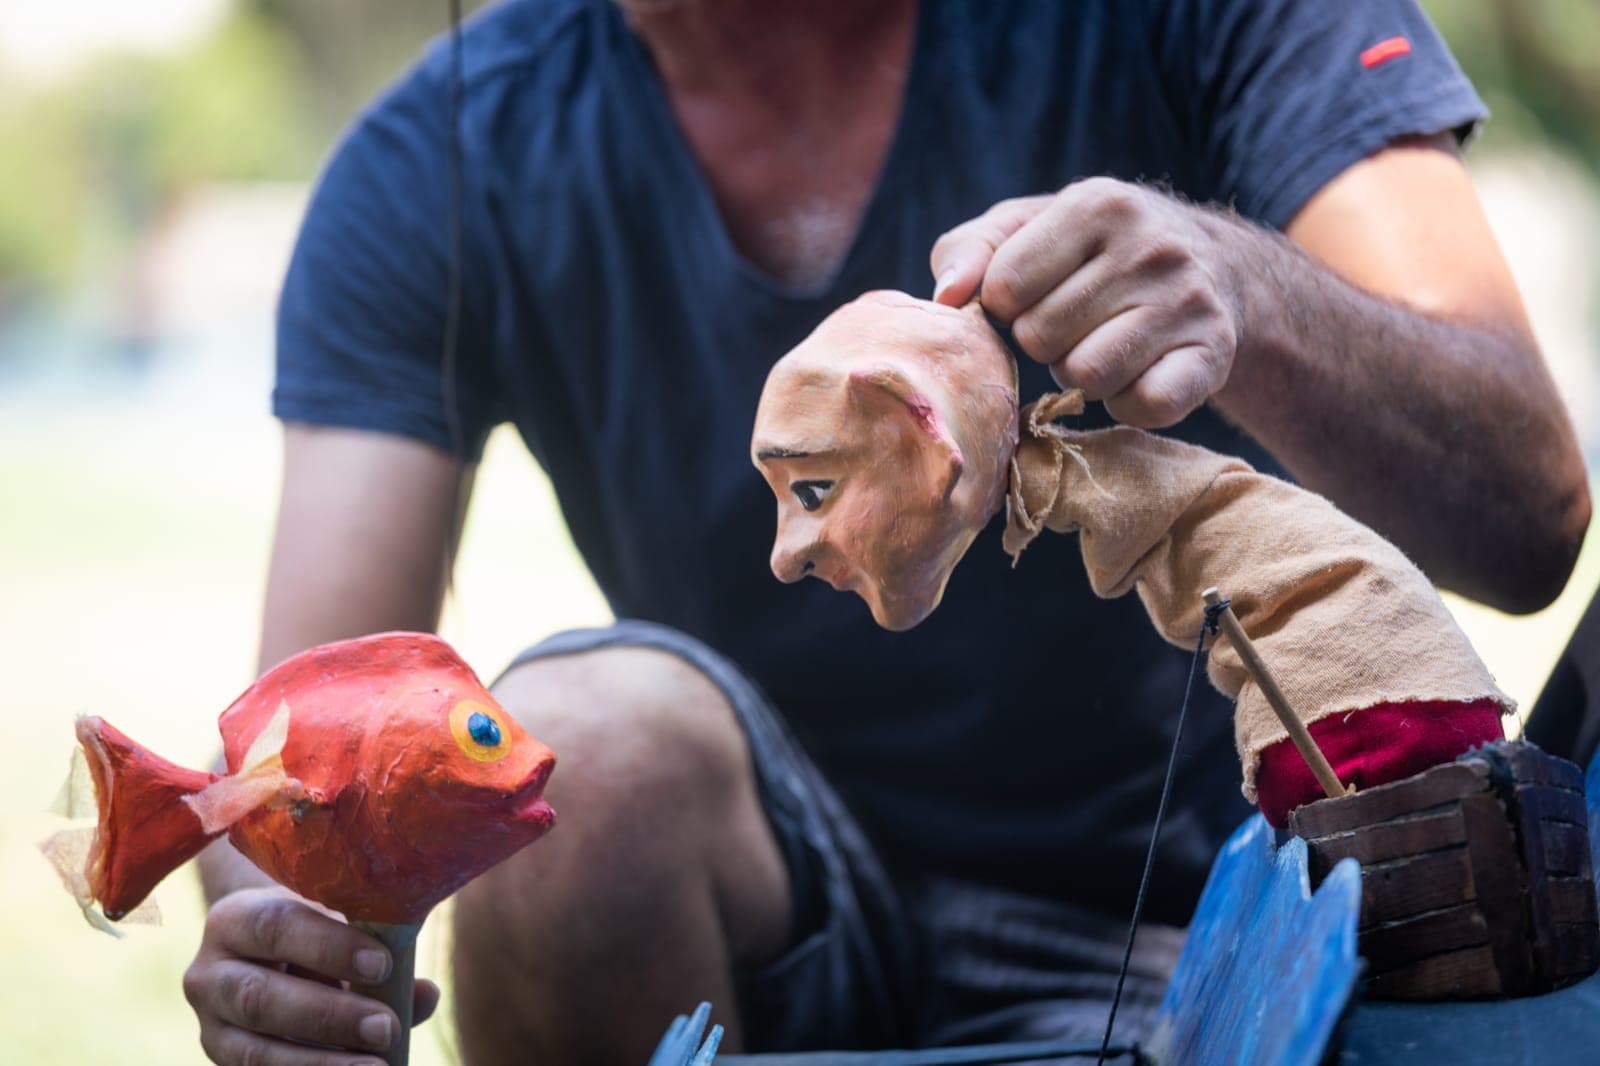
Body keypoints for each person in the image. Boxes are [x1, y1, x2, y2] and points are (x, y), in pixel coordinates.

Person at [180, 0, 1591, 1063]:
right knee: (580, 753)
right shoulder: (434, 159)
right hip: (776, 918)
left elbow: (1529, 515)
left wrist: (1247, 288)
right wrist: (280, 943)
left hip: (1240, 910)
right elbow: (296, 752)